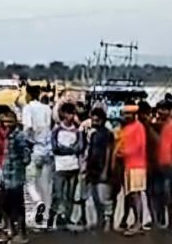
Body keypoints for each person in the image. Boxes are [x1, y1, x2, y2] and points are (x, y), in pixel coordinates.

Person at [0, 107, 32, 244]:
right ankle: (11, 230)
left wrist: (21, 164)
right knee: (6, 204)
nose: (7, 125)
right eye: (5, 122)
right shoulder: (8, 136)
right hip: (7, 175)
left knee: (17, 206)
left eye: (10, 122)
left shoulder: (19, 136)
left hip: (16, 176)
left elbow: (26, 155)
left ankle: (22, 233)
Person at [22, 84, 54, 227]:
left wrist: (26, 142)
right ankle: (45, 214)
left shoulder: (28, 108)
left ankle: (37, 203)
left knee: (30, 182)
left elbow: (28, 127)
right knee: (45, 184)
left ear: (28, 94)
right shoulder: (47, 108)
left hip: (34, 149)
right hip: (48, 150)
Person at [149, 101, 172, 229]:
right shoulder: (157, 125)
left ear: (169, 111)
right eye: (159, 109)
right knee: (158, 193)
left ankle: (170, 221)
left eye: (164, 109)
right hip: (156, 163)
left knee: (168, 193)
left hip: (168, 164)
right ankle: (160, 219)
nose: (161, 112)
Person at [117, 101, 150, 235]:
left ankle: (138, 223)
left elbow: (138, 146)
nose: (125, 116)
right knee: (131, 195)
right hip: (128, 165)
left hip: (137, 165)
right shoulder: (126, 128)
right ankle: (136, 222)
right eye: (124, 114)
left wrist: (122, 152)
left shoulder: (138, 127)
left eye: (127, 114)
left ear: (133, 114)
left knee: (135, 194)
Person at [50, 101, 83, 230]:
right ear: (63, 114)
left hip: (73, 166)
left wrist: (67, 149)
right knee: (58, 193)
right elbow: (55, 148)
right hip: (60, 166)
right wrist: (69, 149)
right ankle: (55, 215)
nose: (70, 116)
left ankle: (67, 217)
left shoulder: (77, 130)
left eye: (72, 113)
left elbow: (80, 147)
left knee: (70, 194)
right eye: (68, 113)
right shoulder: (57, 129)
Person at [83, 107, 116, 231]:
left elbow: (109, 152)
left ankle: (107, 220)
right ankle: (99, 220)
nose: (94, 122)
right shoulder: (93, 134)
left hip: (102, 168)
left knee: (104, 198)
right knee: (94, 197)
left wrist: (106, 170)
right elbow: (90, 152)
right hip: (93, 169)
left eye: (96, 120)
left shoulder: (107, 134)